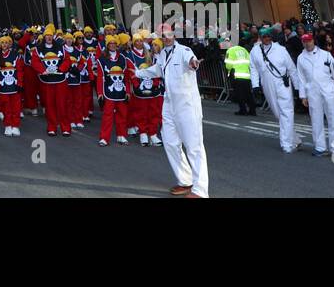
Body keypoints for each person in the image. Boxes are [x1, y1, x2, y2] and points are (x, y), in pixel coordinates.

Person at [134, 25, 208, 198]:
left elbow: (192, 62)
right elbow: (157, 70)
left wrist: (193, 63)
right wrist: (138, 73)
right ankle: (185, 181)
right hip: (169, 103)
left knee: (194, 147)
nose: (166, 38)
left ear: (174, 35)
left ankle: (200, 190)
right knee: (170, 142)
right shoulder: (161, 54)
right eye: (163, 35)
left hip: (187, 104)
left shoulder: (184, 50)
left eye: (168, 35)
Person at [296, 31, 334, 158]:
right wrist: (303, 96)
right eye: (305, 41)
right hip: (312, 92)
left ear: (313, 41)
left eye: (309, 41)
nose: (307, 43)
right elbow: (301, 79)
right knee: (316, 120)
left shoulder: (326, 55)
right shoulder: (301, 58)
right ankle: (320, 147)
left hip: (328, 90)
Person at [249, 26, 299, 153]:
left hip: (282, 83)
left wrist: (298, 86)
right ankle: (295, 139)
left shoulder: (281, 49)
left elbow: (292, 68)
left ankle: (286, 144)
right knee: (278, 113)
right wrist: (255, 85)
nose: (267, 39)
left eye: (268, 36)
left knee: (286, 112)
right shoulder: (255, 51)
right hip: (267, 84)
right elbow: (253, 68)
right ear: (260, 37)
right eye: (264, 36)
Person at [29, 25, 71, 136]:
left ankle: (65, 127)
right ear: (44, 37)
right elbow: (34, 62)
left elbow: (67, 60)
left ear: (53, 36)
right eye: (47, 36)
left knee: (62, 105)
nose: (48, 37)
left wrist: (61, 69)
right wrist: (43, 70)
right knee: (50, 105)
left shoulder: (61, 47)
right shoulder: (38, 49)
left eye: (50, 36)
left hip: (60, 80)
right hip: (47, 81)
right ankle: (52, 127)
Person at [96, 34, 134, 146]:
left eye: (114, 44)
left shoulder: (122, 58)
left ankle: (121, 136)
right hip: (108, 91)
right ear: (107, 45)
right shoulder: (101, 59)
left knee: (122, 114)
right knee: (107, 116)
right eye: (110, 44)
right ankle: (104, 138)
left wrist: (127, 91)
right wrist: (99, 93)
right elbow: (100, 77)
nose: (112, 45)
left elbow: (126, 77)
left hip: (121, 92)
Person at [0, 35, 24, 135]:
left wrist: (20, 83)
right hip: (3, 87)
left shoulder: (15, 55)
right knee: (6, 107)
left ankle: (16, 126)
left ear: (9, 44)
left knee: (16, 107)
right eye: (2, 43)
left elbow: (20, 71)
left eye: (6, 43)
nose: (4, 45)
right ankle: (8, 125)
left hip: (14, 86)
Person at [222, 35, 255, 115]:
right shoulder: (244, 50)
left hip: (237, 74)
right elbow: (250, 61)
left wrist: (228, 71)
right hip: (246, 75)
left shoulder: (230, 50)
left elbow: (228, 64)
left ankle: (243, 110)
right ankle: (252, 110)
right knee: (248, 94)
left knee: (240, 94)